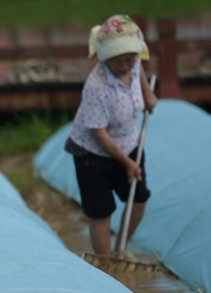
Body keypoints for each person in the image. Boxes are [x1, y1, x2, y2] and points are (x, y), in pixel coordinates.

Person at [65, 14, 157, 258]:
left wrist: (147, 95)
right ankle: (107, 266)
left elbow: (139, 71)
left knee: (139, 198)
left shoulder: (133, 63)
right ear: (105, 57)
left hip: (129, 143)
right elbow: (99, 135)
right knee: (101, 211)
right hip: (93, 153)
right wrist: (126, 163)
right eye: (118, 61)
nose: (126, 66)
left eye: (130, 59)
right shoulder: (96, 86)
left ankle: (121, 249)